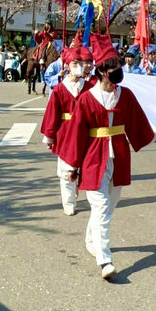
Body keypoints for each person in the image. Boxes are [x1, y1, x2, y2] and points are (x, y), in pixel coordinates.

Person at [58, 33, 156, 279]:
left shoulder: (125, 95)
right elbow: (76, 135)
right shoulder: (85, 99)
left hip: (119, 156)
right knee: (102, 206)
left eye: (119, 64)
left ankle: (91, 238)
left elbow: (138, 122)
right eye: (114, 65)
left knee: (109, 206)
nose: (119, 68)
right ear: (103, 70)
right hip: (94, 158)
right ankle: (105, 261)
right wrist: (72, 165)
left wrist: (153, 136)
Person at [41, 46, 94, 216]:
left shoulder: (90, 87)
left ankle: (78, 191)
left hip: (86, 132)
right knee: (66, 169)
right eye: (76, 63)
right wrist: (49, 135)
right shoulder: (59, 90)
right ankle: (69, 201)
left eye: (83, 63)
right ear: (68, 65)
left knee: (85, 166)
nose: (81, 66)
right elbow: (51, 115)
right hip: (66, 133)